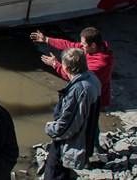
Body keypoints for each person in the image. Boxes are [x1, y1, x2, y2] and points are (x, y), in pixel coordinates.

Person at [44, 48, 102, 180]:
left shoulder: (78, 89)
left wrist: (51, 129)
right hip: (87, 136)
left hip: (69, 142)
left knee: (54, 172)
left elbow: (69, 123)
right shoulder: (92, 79)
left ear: (67, 68)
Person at [30, 27, 115, 108]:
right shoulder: (92, 48)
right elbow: (68, 45)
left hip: (93, 99)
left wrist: (55, 64)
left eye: (84, 43)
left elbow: (73, 75)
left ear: (93, 45)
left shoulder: (99, 65)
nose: (81, 45)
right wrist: (46, 39)